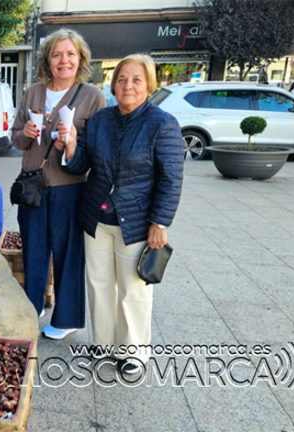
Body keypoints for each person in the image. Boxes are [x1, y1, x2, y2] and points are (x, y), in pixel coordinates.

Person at [63, 54, 185, 374]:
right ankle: (104, 344)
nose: (128, 85)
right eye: (121, 79)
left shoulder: (162, 124)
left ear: (149, 86)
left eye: (136, 79)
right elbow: (80, 167)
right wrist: (72, 146)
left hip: (137, 222)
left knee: (133, 289)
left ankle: (133, 352)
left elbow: (171, 179)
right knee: (99, 284)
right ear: (113, 84)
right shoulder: (101, 120)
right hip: (97, 220)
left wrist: (160, 222)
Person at [10, 28, 105, 340]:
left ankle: (67, 319)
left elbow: (96, 150)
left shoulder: (92, 96)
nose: (64, 60)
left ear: (80, 60)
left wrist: (71, 143)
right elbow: (16, 140)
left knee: (68, 253)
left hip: (70, 187)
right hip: (32, 184)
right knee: (34, 250)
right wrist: (25, 133)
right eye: (57, 54)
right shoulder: (32, 92)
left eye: (70, 54)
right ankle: (32, 306)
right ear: (47, 60)